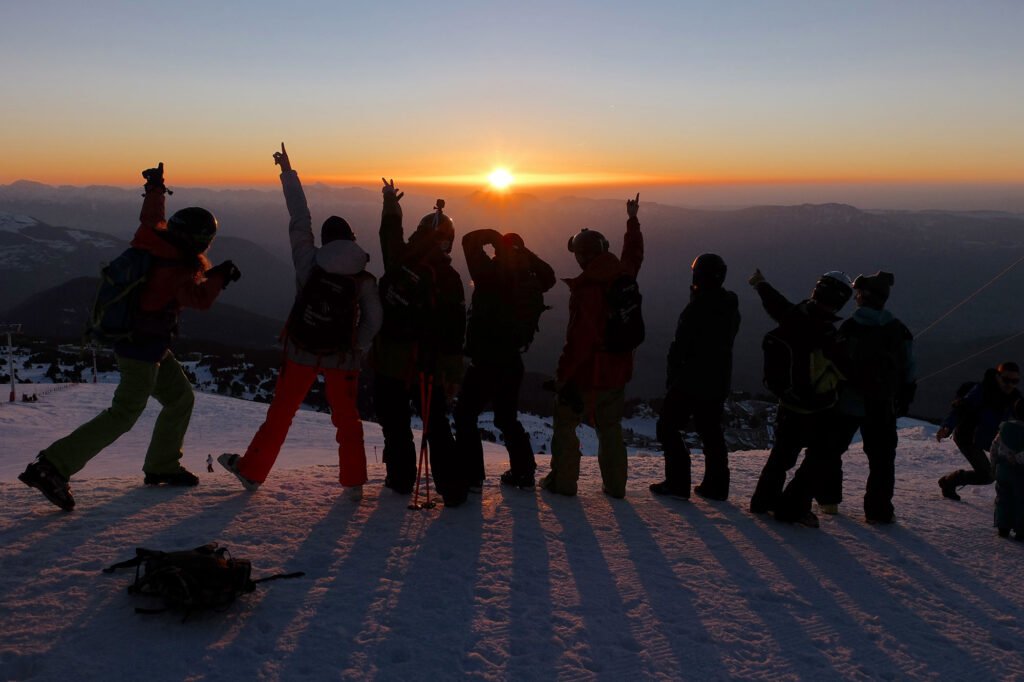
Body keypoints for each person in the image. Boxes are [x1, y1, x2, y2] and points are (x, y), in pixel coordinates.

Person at [19, 163, 240, 511]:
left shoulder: (152, 240)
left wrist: (156, 187)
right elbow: (199, 299)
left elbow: (151, 217)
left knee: (180, 398)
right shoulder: (178, 268)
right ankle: (52, 467)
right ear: (200, 241)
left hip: (147, 344)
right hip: (141, 348)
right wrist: (220, 277)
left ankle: (162, 464)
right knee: (124, 413)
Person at [219, 144, 382, 500]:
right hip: (343, 357)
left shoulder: (308, 260)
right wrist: (357, 346)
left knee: (282, 413)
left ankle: (252, 471)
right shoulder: (363, 277)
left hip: (300, 350)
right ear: (352, 239)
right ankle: (354, 481)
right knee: (347, 420)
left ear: (325, 240)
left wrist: (287, 172)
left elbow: (299, 217)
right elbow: (374, 319)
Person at [776, 271, 915, 525]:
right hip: (882, 404)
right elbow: (909, 367)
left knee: (827, 452)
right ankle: (879, 511)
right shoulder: (898, 329)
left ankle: (815, 501)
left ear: (862, 297)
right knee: (882, 459)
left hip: (847, 401)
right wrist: (904, 395)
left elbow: (832, 362)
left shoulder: (850, 327)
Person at [542, 193, 644, 499]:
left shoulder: (589, 288)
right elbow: (634, 255)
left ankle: (563, 483)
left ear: (582, 257)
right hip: (618, 369)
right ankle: (615, 486)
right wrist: (632, 221)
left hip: (588, 373)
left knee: (565, 424)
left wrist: (563, 376)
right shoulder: (622, 274)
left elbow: (579, 341)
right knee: (610, 428)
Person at [373, 179, 467, 506]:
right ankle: (452, 488)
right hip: (428, 365)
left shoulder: (400, 260)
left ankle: (400, 479)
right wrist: (453, 374)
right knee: (436, 425)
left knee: (395, 424)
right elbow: (455, 330)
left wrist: (390, 202)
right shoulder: (448, 278)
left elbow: (389, 234)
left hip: (389, 360)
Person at [748, 269, 852, 526]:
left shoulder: (792, 315)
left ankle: (762, 501)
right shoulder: (828, 335)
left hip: (789, 402)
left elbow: (775, 302)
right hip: (820, 408)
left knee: (781, 456)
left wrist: (761, 283)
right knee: (818, 460)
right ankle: (792, 509)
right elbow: (847, 370)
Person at [454, 229, 556, 491]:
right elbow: (550, 275)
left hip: (486, 359)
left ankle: (471, 476)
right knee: (506, 418)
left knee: (465, 414)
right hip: (512, 359)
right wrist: (522, 252)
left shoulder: (491, 275)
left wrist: (492, 236)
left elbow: (468, 241)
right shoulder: (531, 280)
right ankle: (524, 473)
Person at [650, 253, 740, 500]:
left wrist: (673, 376)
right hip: (718, 379)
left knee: (667, 426)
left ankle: (677, 483)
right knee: (711, 431)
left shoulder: (697, 308)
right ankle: (716, 486)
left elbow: (681, 346)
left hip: (691, 379)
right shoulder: (730, 306)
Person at [937, 361, 1021, 500]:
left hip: (988, 437)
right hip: (967, 436)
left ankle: (1010, 497)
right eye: (1006, 380)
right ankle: (949, 482)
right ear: (997, 377)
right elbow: (961, 408)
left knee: (1013, 462)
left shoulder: (1015, 397)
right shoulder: (982, 391)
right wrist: (947, 426)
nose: (1010, 385)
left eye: (1015, 381)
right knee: (987, 476)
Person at [990, 398, 1024, 539]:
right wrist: (1017, 459)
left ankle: (1002, 527)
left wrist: (993, 466)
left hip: (1002, 469)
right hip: (1020, 473)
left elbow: (994, 447)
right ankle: (1021, 530)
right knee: (1021, 501)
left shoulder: (1005, 428)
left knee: (1003, 498)